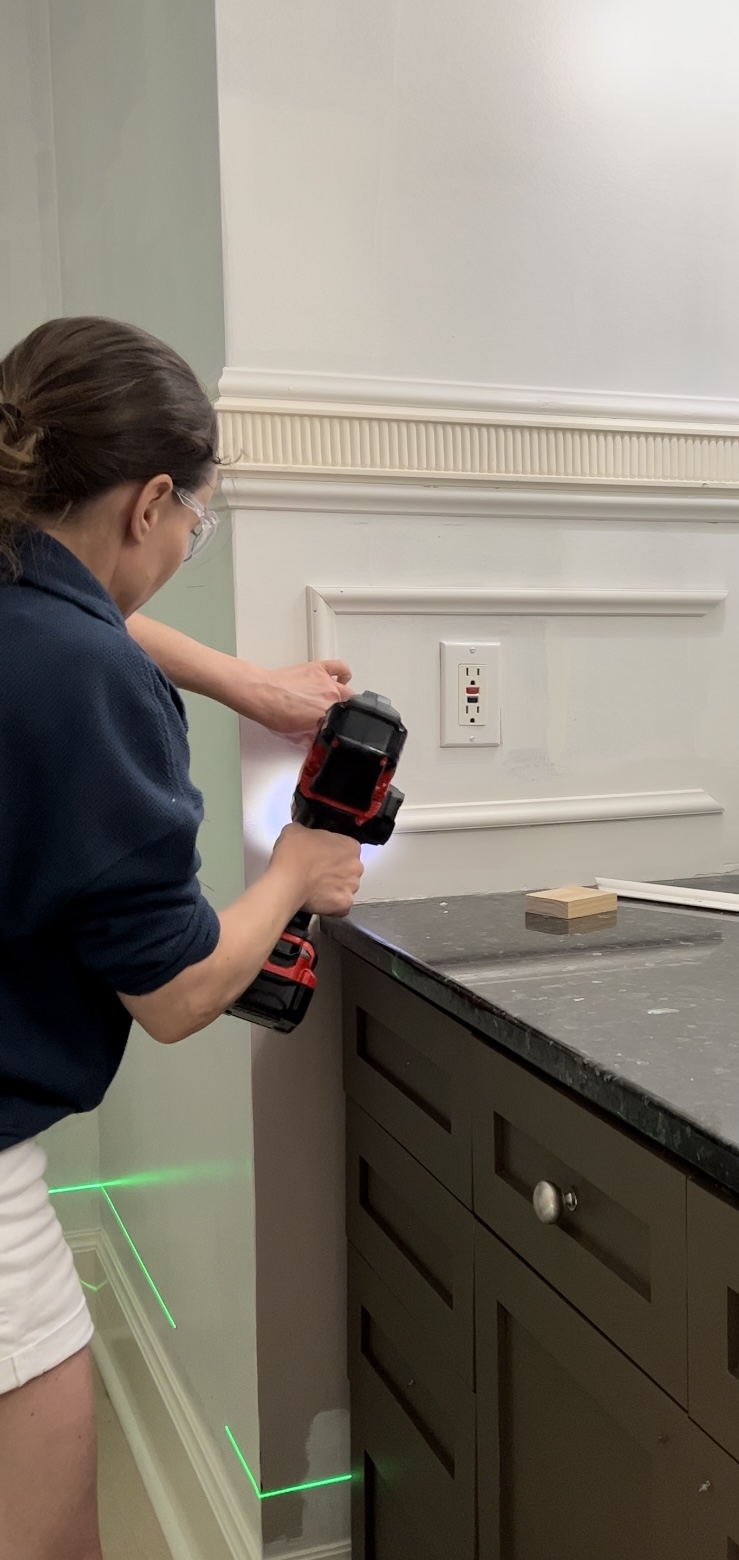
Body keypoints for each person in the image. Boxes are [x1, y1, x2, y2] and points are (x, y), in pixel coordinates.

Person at [0, 316, 364, 1560]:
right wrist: (299, 874)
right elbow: (180, 988)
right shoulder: (88, 683)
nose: (186, 544)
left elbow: (83, 610)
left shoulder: (17, 590)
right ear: (151, 500)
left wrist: (246, 686)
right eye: (194, 523)